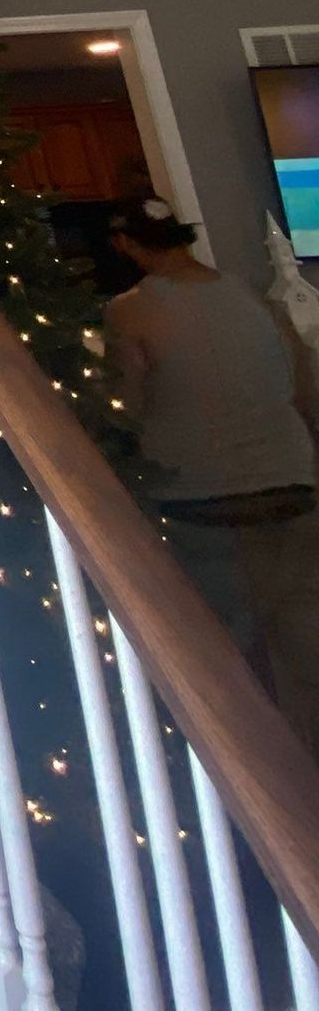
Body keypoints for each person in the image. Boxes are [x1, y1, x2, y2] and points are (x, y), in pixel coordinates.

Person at [105, 198, 319, 747]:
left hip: (200, 495)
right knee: (305, 641)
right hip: (292, 481)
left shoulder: (128, 313)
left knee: (222, 655)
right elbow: (303, 391)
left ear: (127, 245)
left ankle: (251, 773)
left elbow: (126, 405)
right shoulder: (252, 295)